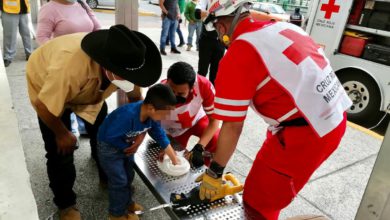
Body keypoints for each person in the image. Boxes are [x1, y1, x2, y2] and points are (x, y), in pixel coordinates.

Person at [195, 1, 352, 220]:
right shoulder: (285, 28)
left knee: (259, 202)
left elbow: (232, 126)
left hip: (305, 137)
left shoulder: (240, 51)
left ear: (221, 27)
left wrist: (215, 172)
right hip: (332, 118)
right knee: (270, 188)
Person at [26, 24, 162, 220]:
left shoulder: (129, 62)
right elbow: (43, 106)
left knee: (105, 135)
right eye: (125, 77)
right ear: (107, 65)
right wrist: (63, 133)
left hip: (89, 93)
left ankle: (108, 176)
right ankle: (66, 203)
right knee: (60, 151)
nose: (130, 81)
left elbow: (137, 101)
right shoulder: (69, 67)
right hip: (47, 87)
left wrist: (141, 131)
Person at [97, 84, 179, 220]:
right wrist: (127, 147)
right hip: (109, 148)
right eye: (165, 113)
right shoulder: (127, 116)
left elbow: (160, 135)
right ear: (152, 108)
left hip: (126, 145)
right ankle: (116, 214)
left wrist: (174, 159)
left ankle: (127, 203)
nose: (166, 117)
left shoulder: (152, 116)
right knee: (119, 181)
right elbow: (109, 136)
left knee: (129, 175)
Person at [160, 62, 220, 168]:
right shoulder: (157, 93)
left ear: (192, 87)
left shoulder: (204, 86)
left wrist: (199, 148)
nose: (174, 96)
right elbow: (153, 126)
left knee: (216, 139)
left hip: (197, 120)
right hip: (173, 130)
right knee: (169, 160)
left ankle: (203, 168)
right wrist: (166, 145)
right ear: (167, 81)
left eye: (180, 93)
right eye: (171, 90)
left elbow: (214, 121)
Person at [36, 0, 101, 45]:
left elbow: (97, 27)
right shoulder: (48, 9)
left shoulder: (82, 3)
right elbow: (41, 37)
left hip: (88, 54)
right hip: (66, 58)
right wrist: (59, 50)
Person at [195, 0, 225, 84]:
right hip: (206, 39)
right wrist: (211, 14)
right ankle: (200, 92)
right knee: (202, 71)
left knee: (215, 73)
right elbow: (197, 13)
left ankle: (212, 94)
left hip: (220, 41)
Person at [0, 0, 33, 67]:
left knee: (26, 33)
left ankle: (29, 53)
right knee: (10, 35)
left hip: (24, 8)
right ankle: (8, 57)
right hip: (9, 9)